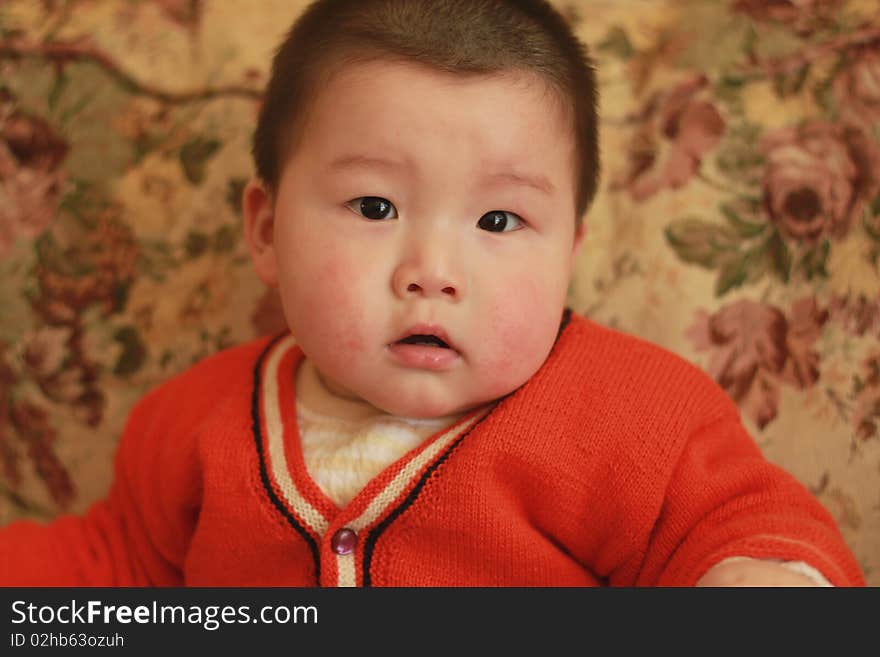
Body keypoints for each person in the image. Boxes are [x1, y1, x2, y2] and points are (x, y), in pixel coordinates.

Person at [0, 0, 865, 587]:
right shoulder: (192, 422)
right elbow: (108, 572)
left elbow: (745, 527)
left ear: (570, 246)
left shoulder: (637, 415)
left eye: (498, 220)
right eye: (374, 206)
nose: (432, 270)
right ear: (264, 230)